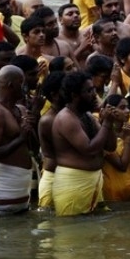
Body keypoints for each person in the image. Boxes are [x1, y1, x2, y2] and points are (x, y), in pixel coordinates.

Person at [51, 71, 118, 216]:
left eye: (94, 89)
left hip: (93, 182)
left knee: (95, 235)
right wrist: (106, 123)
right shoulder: (66, 118)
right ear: (75, 95)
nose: (94, 94)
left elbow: (110, 146)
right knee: (74, 236)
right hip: (73, 185)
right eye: (88, 91)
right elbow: (89, 149)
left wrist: (110, 122)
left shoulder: (87, 116)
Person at [0, 65, 35, 213]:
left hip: (21, 195)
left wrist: (32, 125)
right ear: (11, 85)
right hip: (0, 197)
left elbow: (32, 145)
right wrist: (20, 138)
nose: (26, 87)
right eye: (22, 83)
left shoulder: (20, 110)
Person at [101, 94, 130, 202]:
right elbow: (122, 166)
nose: (127, 111)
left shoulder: (129, 132)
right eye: (122, 108)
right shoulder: (104, 136)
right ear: (111, 111)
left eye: (127, 107)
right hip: (112, 195)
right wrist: (127, 139)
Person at [37, 71, 66, 209]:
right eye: (66, 88)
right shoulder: (49, 120)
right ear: (54, 94)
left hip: (64, 178)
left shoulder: (65, 114)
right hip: (53, 179)